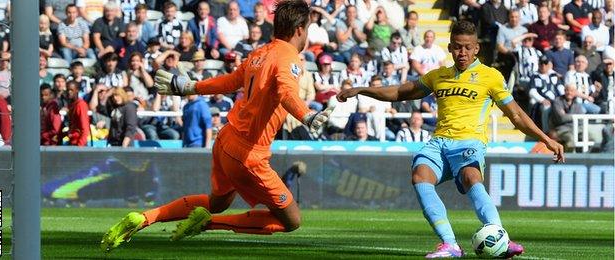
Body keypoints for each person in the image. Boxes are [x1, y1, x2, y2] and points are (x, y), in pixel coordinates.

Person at [101, 1, 333, 252]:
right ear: (300, 29)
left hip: (225, 139)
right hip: (248, 154)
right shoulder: (289, 58)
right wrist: (306, 115)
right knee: (291, 220)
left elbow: (231, 81)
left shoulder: (259, 53)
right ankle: (208, 223)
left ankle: (144, 218)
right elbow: (287, 91)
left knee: (218, 201)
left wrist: (189, 86)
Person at [336, 20, 565, 258]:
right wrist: (362, 90)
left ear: (476, 48)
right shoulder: (439, 76)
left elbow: (516, 114)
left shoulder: (491, 77)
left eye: (467, 47)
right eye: (457, 47)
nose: (462, 52)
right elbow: (400, 92)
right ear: (449, 47)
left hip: (469, 142)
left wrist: (545, 138)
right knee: (420, 176)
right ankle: (450, 244)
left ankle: (501, 238)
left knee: (470, 176)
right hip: (439, 141)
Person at [66, 81, 90, 146]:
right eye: (67, 90)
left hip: (78, 143)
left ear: (77, 90)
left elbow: (85, 129)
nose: (69, 92)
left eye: (71, 90)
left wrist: (80, 146)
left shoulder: (80, 105)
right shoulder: (72, 105)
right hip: (72, 142)